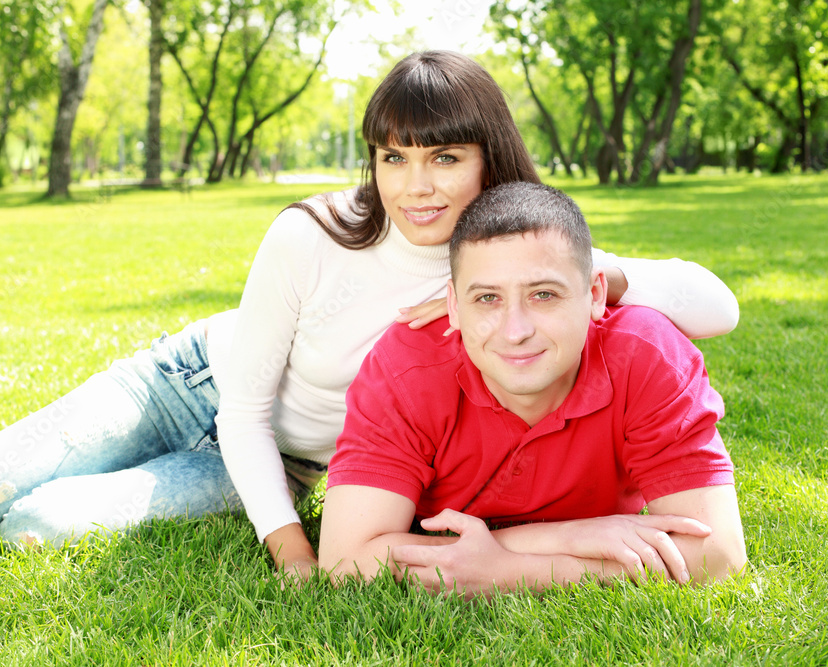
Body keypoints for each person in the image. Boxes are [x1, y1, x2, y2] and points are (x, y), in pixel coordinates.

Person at [0, 52, 738, 579]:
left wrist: (603, 276)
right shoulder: (313, 233)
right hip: (191, 388)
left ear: (490, 156)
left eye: (446, 156)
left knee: (38, 523)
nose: (418, 185)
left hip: (290, 464)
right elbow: (248, 410)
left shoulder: (518, 253)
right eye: (394, 157)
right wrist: (290, 550)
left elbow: (717, 304)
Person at [319, 181, 747, 595]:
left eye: (544, 295)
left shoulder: (647, 354)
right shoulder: (407, 365)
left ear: (596, 293)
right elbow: (345, 560)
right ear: (453, 306)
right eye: (487, 298)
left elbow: (718, 554)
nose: (515, 331)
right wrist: (570, 539)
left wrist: (508, 566)